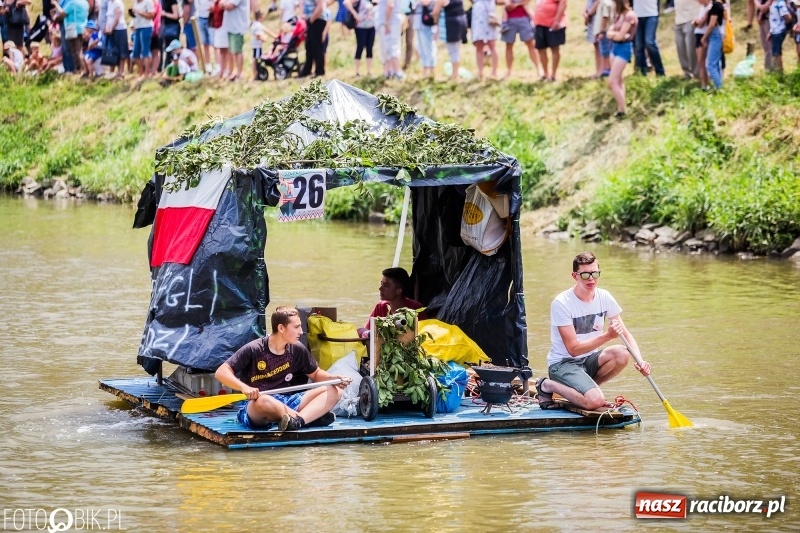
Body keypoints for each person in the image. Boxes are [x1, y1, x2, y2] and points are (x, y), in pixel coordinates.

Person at [535, 252, 651, 411]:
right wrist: (608, 336)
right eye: (585, 274)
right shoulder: (562, 303)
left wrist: (640, 361)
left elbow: (625, 334)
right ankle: (547, 385)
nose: (591, 279)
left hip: (589, 360)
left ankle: (587, 391)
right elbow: (573, 349)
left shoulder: (605, 297)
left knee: (623, 353)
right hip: (563, 364)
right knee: (595, 402)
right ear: (574, 276)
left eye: (595, 273)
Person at [215, 306, 352, 431]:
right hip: (257, 404)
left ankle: (297, 421)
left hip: (288, 401)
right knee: (265, 401)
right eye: (296, 327)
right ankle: (307, 419)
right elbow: (221, 372)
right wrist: (245, 388)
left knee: (335, 390)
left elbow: (316, 374)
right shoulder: (254, 349)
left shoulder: (297, 348)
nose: (301, 331)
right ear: (281, 328)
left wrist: (334, 379)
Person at [360, 267, 423, 336]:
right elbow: (365, 330)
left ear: (398, 291)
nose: (380, 289)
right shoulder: (380, 307)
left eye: (386, 286)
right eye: (381, 284)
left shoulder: (416, 310)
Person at [606, 0, 635, 116]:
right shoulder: (619, 16)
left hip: (624, 49)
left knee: (612, 82)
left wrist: (614, 35)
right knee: (618, 80)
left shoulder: (630, 16)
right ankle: (620, 107)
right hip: (615, 48)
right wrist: (614, 35)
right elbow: (610, 33)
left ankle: (622, 110)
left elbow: (620, 36)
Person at [532, 0, 567, 81]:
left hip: (553, 23)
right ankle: (545, 73)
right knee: (541, 49)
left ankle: (554, 74)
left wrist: (557, 20)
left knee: (555, 48)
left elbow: (563, 3)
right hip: (539, 23)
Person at [631, 0, 664, 76]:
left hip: (651, 14)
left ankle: (660, 72)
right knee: (639, 46)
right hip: (637, 15)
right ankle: (641, 72)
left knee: (650, 42)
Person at [345, 0, 375, 76]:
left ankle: (369, 71)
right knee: (360, 47)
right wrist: (355, 14)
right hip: (360, 27)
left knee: (370, 48)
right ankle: (357, 71)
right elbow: (346, 2)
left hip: (371, 26)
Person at [221, 0, 248, 80]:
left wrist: (223, 3)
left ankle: (240, 73)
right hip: (231, 27)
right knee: (232, 51)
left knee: (238, 51)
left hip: (237, 27)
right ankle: (233, 72)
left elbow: (229, 6)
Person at [700, 0, 723, 87]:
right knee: (716, 64)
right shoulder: (715, 6)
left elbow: (711, 24)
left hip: (715, 35)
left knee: (711, 65)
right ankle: (719, 85)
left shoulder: (716, 6)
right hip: (715, 36)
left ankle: (719, 87)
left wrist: (704, 38)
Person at [131, 0, 155, 78]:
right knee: (136, 52)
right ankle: (140, 72)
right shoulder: (135, 2)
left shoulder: (148, 2)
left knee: (145, 51)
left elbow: (151, 15)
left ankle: (146, 74)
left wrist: (139, 12)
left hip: (146, 27)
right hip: (137, 28)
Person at [766, 0, 791, 73]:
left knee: (777, 53)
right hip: (774, 31)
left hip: (779, 31)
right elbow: (773, 19)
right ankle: (776, 70)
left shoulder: (780, 3)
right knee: (775, 52)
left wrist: (782, 26)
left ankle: (780, 73)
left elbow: (788, 17)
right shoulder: (774, 2)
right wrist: (771, 31)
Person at [673, 0, 697, 78]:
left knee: (691, 48)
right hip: (678, 20)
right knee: (680, 48)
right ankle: (687, 73)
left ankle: (696, 73)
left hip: (691, 17)